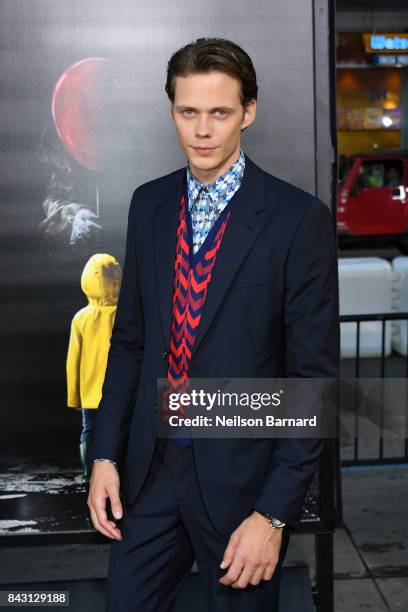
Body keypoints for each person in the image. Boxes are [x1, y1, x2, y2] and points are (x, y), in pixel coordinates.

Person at [87, 37, 340, 611]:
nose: (203, 130)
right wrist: (105, 455)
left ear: (248, 112)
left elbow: (311, 382)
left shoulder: (297, 220)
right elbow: (130, 340)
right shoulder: (148, 205)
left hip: (242, 486)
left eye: (220, 112)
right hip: (152, 474)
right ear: (172, 110)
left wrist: (273, 515)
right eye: (188, 112)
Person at [66, 253, 122, 483]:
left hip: (90, 393)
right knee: (121, 431)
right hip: (121, 391)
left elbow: (73, 360)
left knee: (90, 431)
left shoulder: (81, 318)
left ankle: (90, 473)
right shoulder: (126, 314)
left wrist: (73, 397)